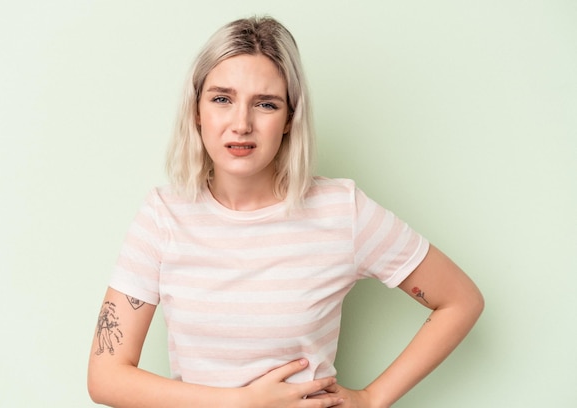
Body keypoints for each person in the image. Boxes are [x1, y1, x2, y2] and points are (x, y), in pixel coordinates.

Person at [87, 16, 484, 408]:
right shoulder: (163, 216)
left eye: (266, 104)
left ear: (290, 118)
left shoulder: (342, 211)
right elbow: (105, 377)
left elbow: (460, 300)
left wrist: (373, 398)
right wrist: (241, 404)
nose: (241, 124)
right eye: (222, 99)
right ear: (196, 110)